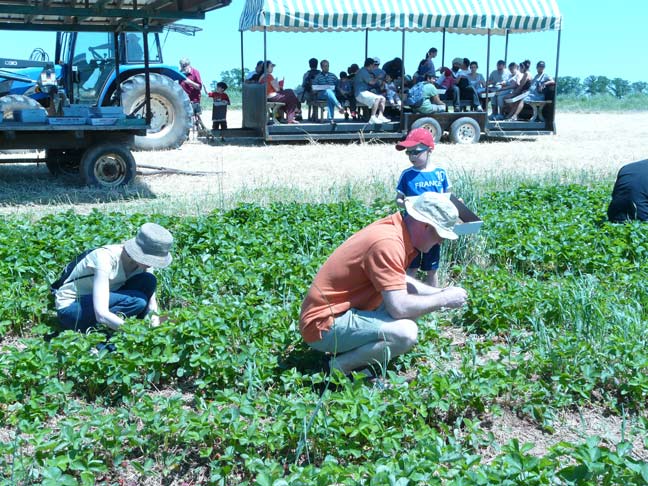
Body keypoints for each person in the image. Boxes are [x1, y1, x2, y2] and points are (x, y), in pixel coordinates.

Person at [299, 189, 468, 377]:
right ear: (426, 226)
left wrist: (440, 291)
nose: (440, 242)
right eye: (440, 235)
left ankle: (353, 353)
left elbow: (399, 280)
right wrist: (443, 299)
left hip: (341, 313)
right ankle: (341, 366)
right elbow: (399, 308)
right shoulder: (388, 243)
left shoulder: (397, 230)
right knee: (406, 333)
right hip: (324, 324)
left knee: (412, 299)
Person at [54, 223, 173, 335]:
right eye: (150, 259)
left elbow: (152, 306)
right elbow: (101, 314)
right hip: (72, 309)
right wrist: (136, 333)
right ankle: (102, 337)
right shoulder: (105, 258)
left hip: (107, 300)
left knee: (148, 280)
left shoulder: (144, 265)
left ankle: (119, 327)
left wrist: (154, 326)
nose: (151, 264)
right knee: (138, 301)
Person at [395, 129, 451, 287]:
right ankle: (406, 296)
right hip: (412, 230)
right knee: (411, 266)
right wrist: (406, 203)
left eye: (416, 152)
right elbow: (398, 199)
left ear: (430, 150)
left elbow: (448, 195)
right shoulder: (407, 175)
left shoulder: (440, 173)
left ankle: (434, 300)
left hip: (433, 229)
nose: (412, 156)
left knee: (432, 268)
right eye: (409, 153)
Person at [355, 57, 389, 124]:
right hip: (360, 93)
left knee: (383, 99)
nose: (374, 67)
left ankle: (380, 116)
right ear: (370, 65)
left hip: (365, 92)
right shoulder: (363, 71)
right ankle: (372, 117)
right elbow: (372, 82)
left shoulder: (367, 71)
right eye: (373, 65)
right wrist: (378, 78)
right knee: (377, 98)